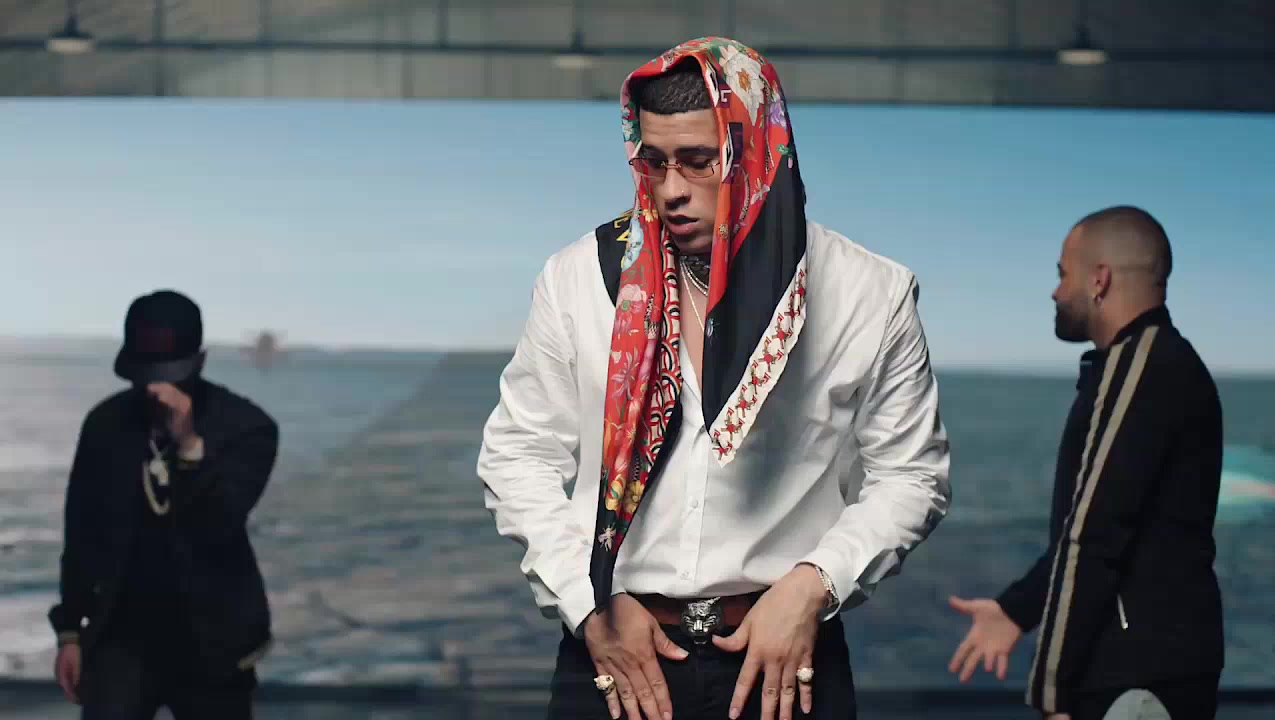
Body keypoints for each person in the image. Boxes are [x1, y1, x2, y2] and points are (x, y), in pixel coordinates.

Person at [478, 37, 951, 720]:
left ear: (757, 149)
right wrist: (589, 606)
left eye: (700, 162)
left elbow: (911, 476)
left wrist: (815, 585)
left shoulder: (868, 293)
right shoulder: (580, 277)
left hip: (785, 657)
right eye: (654, 162)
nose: (671, 190)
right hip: (614, 650)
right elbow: (518, 455)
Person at [946, 206, 1224, 720]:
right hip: (1154, 675)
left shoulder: (1138, 368)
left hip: (1135, 682)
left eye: (1062, 273)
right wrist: (1016, 609)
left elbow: (1092, 538)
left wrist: (1052, 694)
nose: (1055, 292)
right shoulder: (1158, 363)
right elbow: (1108, 530)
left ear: (1099, 280)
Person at [49, 289, 279, 720]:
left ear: (201, 361)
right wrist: (70, 632)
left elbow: (218, 524)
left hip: (212, 639)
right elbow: (82, 531)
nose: (156, 388)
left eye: (169, 374)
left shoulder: (247, 429)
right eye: (145, 374)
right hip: (122, 636)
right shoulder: (105, 424)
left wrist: (188, 443)